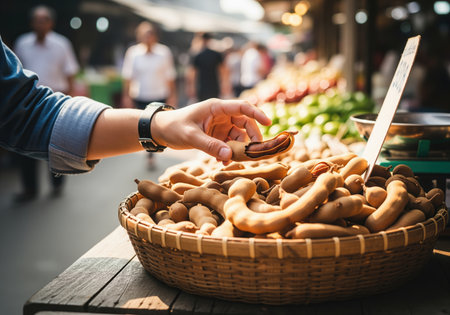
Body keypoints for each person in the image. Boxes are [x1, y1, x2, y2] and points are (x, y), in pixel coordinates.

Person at [0, 37, 271, 181]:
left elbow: (29, 111)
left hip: (157, 101)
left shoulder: (165, 53)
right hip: (143, 97)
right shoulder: (134, 54)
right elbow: (29, 113)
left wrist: (162, 124)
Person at [12, 5, 80, 202]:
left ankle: (57, 183)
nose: (40, 24)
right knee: (24, 146)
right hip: (28, 101)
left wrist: (71, 102)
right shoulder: (22, 43)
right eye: (37, 20)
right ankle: (29, 189)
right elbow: (15, 72)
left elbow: (70, 73)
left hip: (55, 101)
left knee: (55, 146)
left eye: (44, 20)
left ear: (51, 23)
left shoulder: (61, 44)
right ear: (32, 23)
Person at [121, 21, 178, 170]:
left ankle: (152, 152)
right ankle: (149, 152)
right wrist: (126, 95)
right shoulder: (133, 53)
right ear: (139, 36)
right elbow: (128, 76)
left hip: (159, 94)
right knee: (143, 127)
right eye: (144, 34)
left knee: (157, 126)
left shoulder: (164, 52)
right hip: (140, 95)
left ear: (155, 36)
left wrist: (172, 95)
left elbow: (170, 76)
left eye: (150, 34)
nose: (148, 37)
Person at [186, 33, 230, 102]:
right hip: (214, 85)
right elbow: (223, 70)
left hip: (201, 86)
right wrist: (224, 84)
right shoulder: (216, 54)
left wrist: (191, 87)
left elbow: (192, 73)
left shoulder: (196, 55)